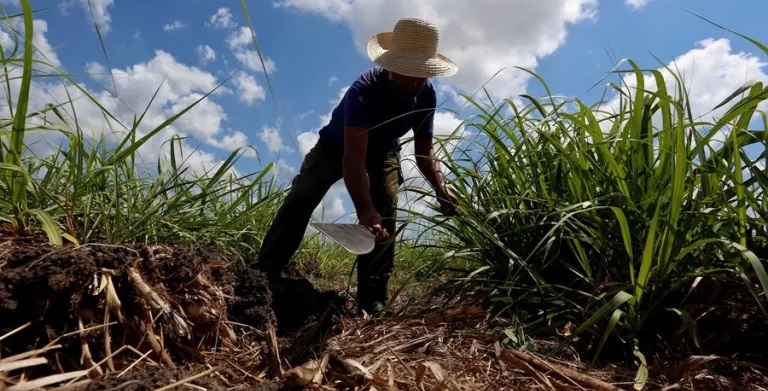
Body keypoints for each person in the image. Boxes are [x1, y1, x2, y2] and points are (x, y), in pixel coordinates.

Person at [253, 17, 459, 316]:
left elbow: (424, 152)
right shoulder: (365, 90)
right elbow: (353, 159)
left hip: (386, 150)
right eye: (408, 74)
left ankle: (372, 299)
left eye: (422, 75)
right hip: (337, 147)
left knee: (385, 211)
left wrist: (441, 188)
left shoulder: (426, 95)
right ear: (391, 66)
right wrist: (364, 209)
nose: (415, 83)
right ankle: (264, 273)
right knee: (302, 197)